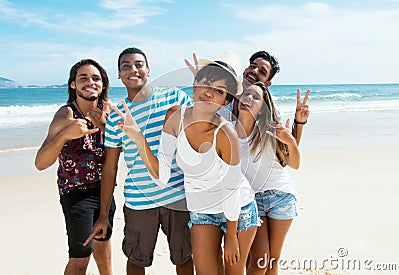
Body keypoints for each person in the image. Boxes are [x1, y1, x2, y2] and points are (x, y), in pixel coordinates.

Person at [116, 51, 259, 275]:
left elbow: (231, 190)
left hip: (237, 211)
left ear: (226, 100)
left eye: (219, 91)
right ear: (194, 85)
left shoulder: (225, 133)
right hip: (202, 210)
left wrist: (231, 237)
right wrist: (138, 138)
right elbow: (162, 174)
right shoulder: (175, 116)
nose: (209, 93)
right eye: (205, 84)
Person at [85, 47, 194, 275]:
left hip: (178, 196)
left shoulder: (174, 97)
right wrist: (104, 214)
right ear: (119, 74)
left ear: (148, 69)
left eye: (138, 64)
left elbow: (201, 130)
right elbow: (110, 167)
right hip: (140, 201)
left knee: (184, 258)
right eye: (126, 66)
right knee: (136, 261)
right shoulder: (115, 116)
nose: (133, 70)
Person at [34, 59, 115, 275]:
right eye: (83, 78)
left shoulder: (110, 110)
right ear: (73, 85)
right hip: (76, 193)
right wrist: (64, 135)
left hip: (105, 190)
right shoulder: (66, 114)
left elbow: (126, 149)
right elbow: (41, 163)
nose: (90, 82)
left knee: (104, 246)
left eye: (96, 78)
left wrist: (105, 127)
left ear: (103, 84)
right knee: (80, 259)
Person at [234, 82, 300, 275]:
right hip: (253, 201)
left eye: (256, 97)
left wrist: (291, 141)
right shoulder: (228, 131)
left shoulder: (271, 130)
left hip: (282, 197)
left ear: (263, 108)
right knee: (259, 261)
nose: (248, 99)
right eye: (246, 94)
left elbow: (294, 164)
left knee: (272, 260)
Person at [185, 50, 311, 144]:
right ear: (245, 70)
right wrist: (201, 85)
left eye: (262, 72)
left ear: (267, 84)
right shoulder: (221, 99)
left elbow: (286, 152)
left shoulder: (269, 115)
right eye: (252, 66)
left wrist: (299, 122)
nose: (254, 71)